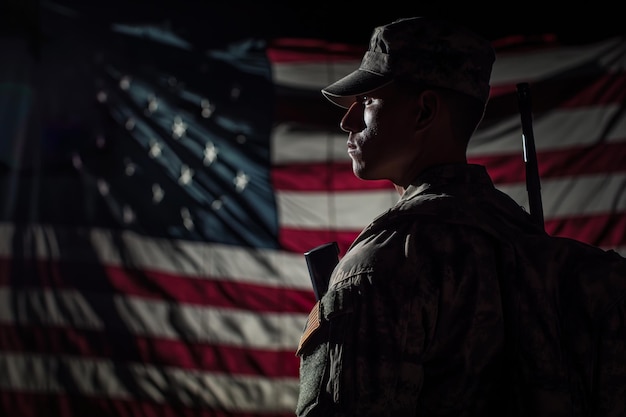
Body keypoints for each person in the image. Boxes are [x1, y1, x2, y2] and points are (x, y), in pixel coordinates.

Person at [295, 16, 626, 417]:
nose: (347, 120)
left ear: (424, 111)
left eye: (367, 101)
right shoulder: (561, 264)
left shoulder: (383, 264)